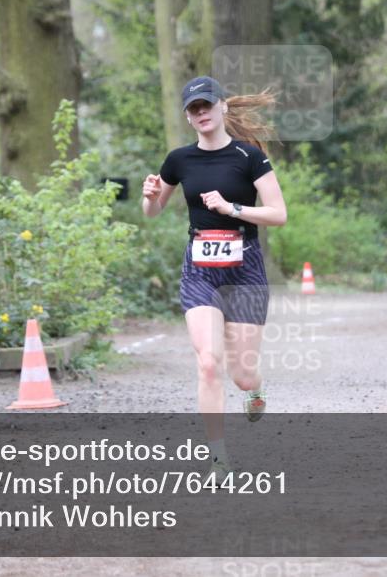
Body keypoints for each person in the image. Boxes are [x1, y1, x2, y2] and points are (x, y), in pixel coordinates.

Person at [141, 76, 287, 482]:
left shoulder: (250, 156)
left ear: (222, 106)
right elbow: (152, 212)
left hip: (245, 269)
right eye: (194, 108)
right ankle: (218, 459)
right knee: (208, 362)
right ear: (188, 117)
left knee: (241, 374)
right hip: (199, 269)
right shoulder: (178, 160)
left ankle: (255, 388)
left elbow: (278, 214)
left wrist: (232, 208)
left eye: (207, 104)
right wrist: (149, 197)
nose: (201, 112)